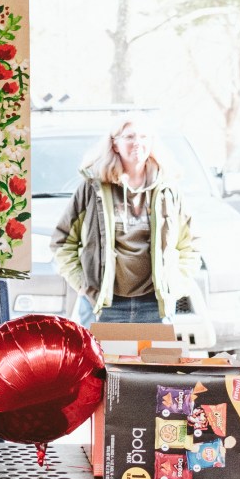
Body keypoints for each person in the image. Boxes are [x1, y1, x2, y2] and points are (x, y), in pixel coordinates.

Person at [51, 117, 199, 326]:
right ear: (114, 144)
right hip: (104, 305)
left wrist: (176, 284)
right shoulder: (93, 188)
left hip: (154, 307)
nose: (137, 142)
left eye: (143, 136)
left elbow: (190, 244)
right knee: (99, 360)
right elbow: (62, 241)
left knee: (154, 359)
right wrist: (83, 284)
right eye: (129, 136)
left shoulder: (168, 190)